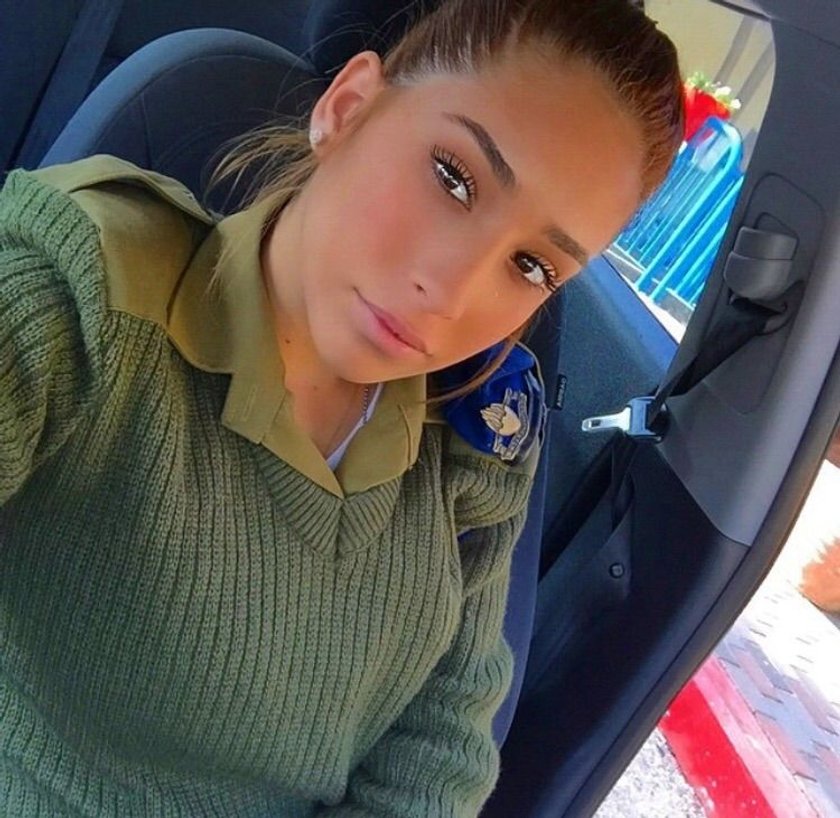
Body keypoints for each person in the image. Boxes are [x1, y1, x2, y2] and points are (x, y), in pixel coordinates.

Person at [0, 0, 684, 815]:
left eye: (532, 266)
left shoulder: (480, 444)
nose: (448, 289)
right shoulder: (79, 292)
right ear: (348, 108)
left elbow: (439, 752)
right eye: (454, 179)